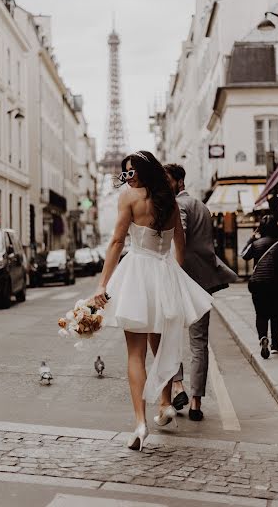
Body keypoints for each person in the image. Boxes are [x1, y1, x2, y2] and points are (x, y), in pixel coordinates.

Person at [92, 151, 213, 451]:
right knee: (161, 345)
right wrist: (174, 277)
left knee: (135, 353)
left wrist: (102, 284)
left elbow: (117, 242)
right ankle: (165, 404)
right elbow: (179, 246)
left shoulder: (129, 198)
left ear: (143, 173)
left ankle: (140, 423)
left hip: (136, 274)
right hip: (163, 273)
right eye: (125, 173)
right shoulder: (170, 201)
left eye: (131, 172)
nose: (127, 177)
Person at [164, 163, 237, 421]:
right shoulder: (203, 207)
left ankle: (178, 385)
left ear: (179, 182)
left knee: (169, 338)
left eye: (167, 180)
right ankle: (195, 403)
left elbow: (179, 237)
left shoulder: (178, 206)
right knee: (199, 343)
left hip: (181, 282)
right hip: (203, 284)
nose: (163, 184)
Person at [242, 215, 278, 359]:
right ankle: (275, 345)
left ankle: (263, 338)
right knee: (276, 315)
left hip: (259, 285)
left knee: (261, 314)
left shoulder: (256, 244)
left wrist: (252, 238)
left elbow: (244, 255)